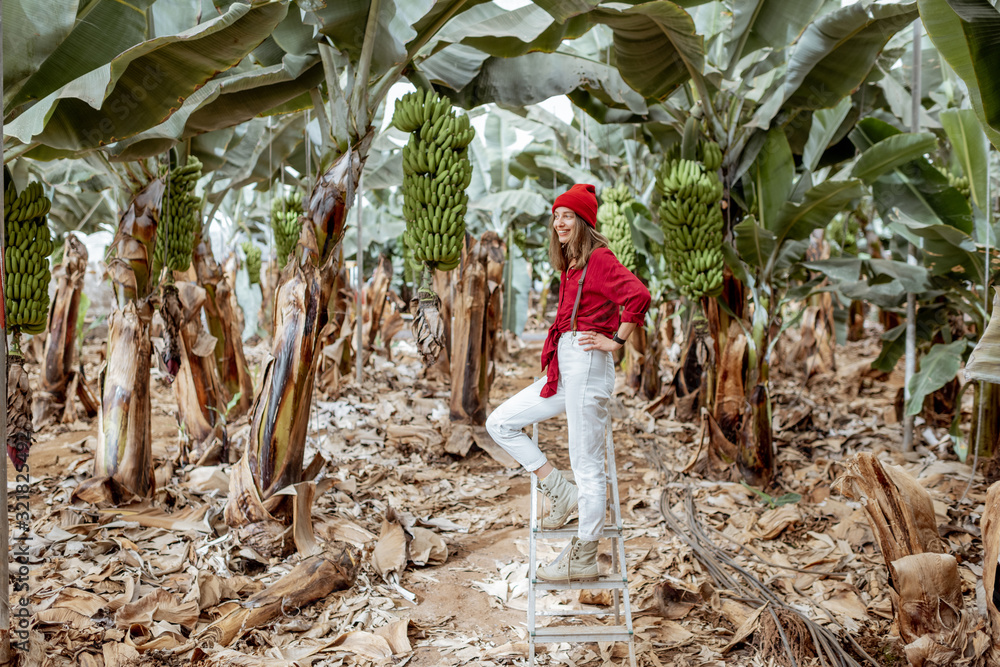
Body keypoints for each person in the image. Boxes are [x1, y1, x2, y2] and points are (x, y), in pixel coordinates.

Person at [486, 183, 651, 582]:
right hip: (566, 366)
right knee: (500, 423)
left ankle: (585, 554)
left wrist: (616, 341)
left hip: (589, 363)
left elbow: (638, 295)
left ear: (584, 221)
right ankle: (558, 489)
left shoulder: (599, 259)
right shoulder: (572, 264)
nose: (559, 222)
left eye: (568, 216)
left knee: (587, 463)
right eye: (556, 215)